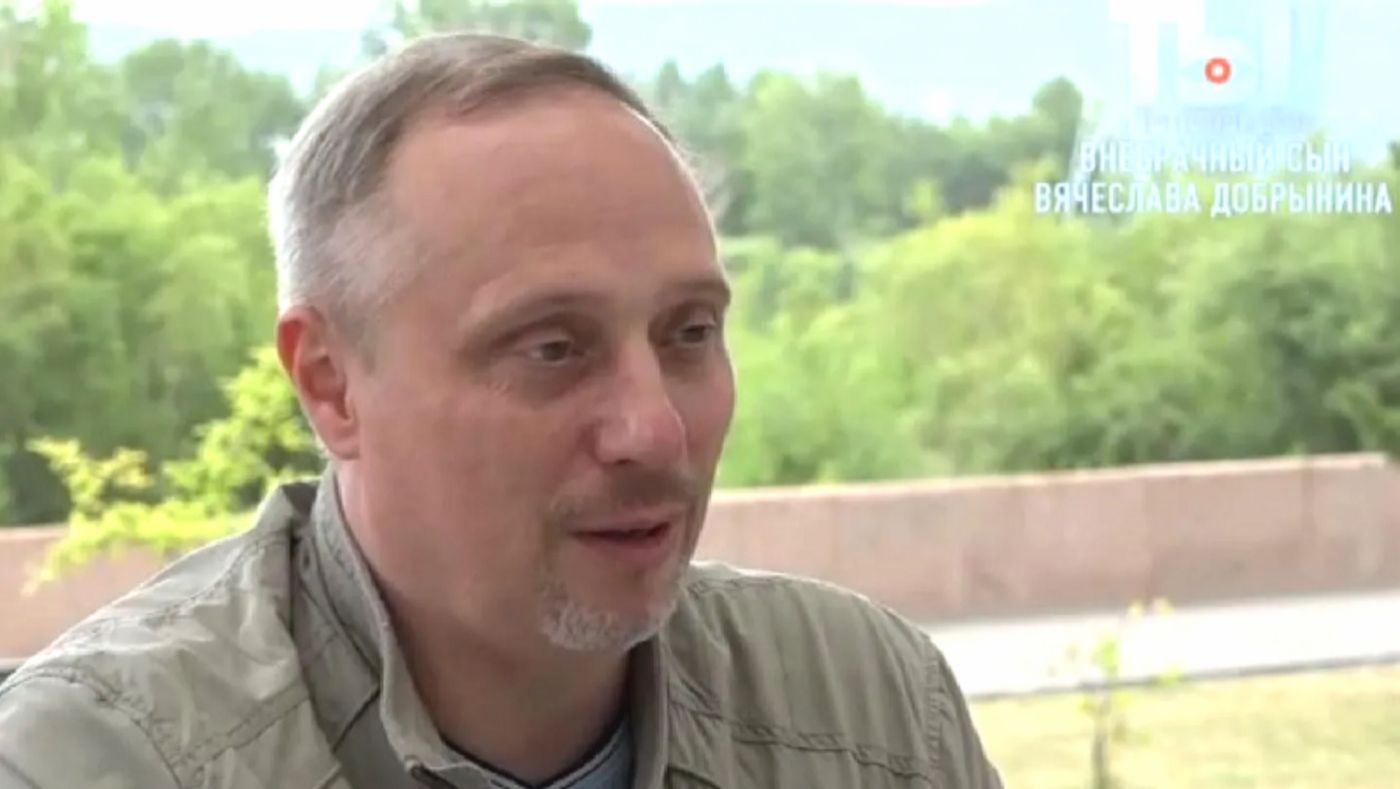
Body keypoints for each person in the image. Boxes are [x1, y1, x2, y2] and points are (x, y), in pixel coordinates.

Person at [0, 33, 1002, 789]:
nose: (655, 431)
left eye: (689, 332)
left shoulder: (868, 716)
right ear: (331, 383)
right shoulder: (98, 759)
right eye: (552, 349)